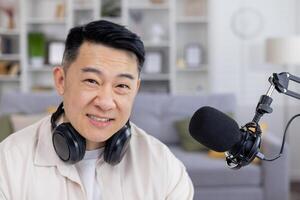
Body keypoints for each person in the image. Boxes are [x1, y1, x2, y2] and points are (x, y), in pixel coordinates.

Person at [0, 20, 194, 200]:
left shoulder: (164, 166)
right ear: (61, 80)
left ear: (135, 90)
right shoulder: (8, 163)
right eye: (92, 81)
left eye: (122, 86)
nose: (106, 103)